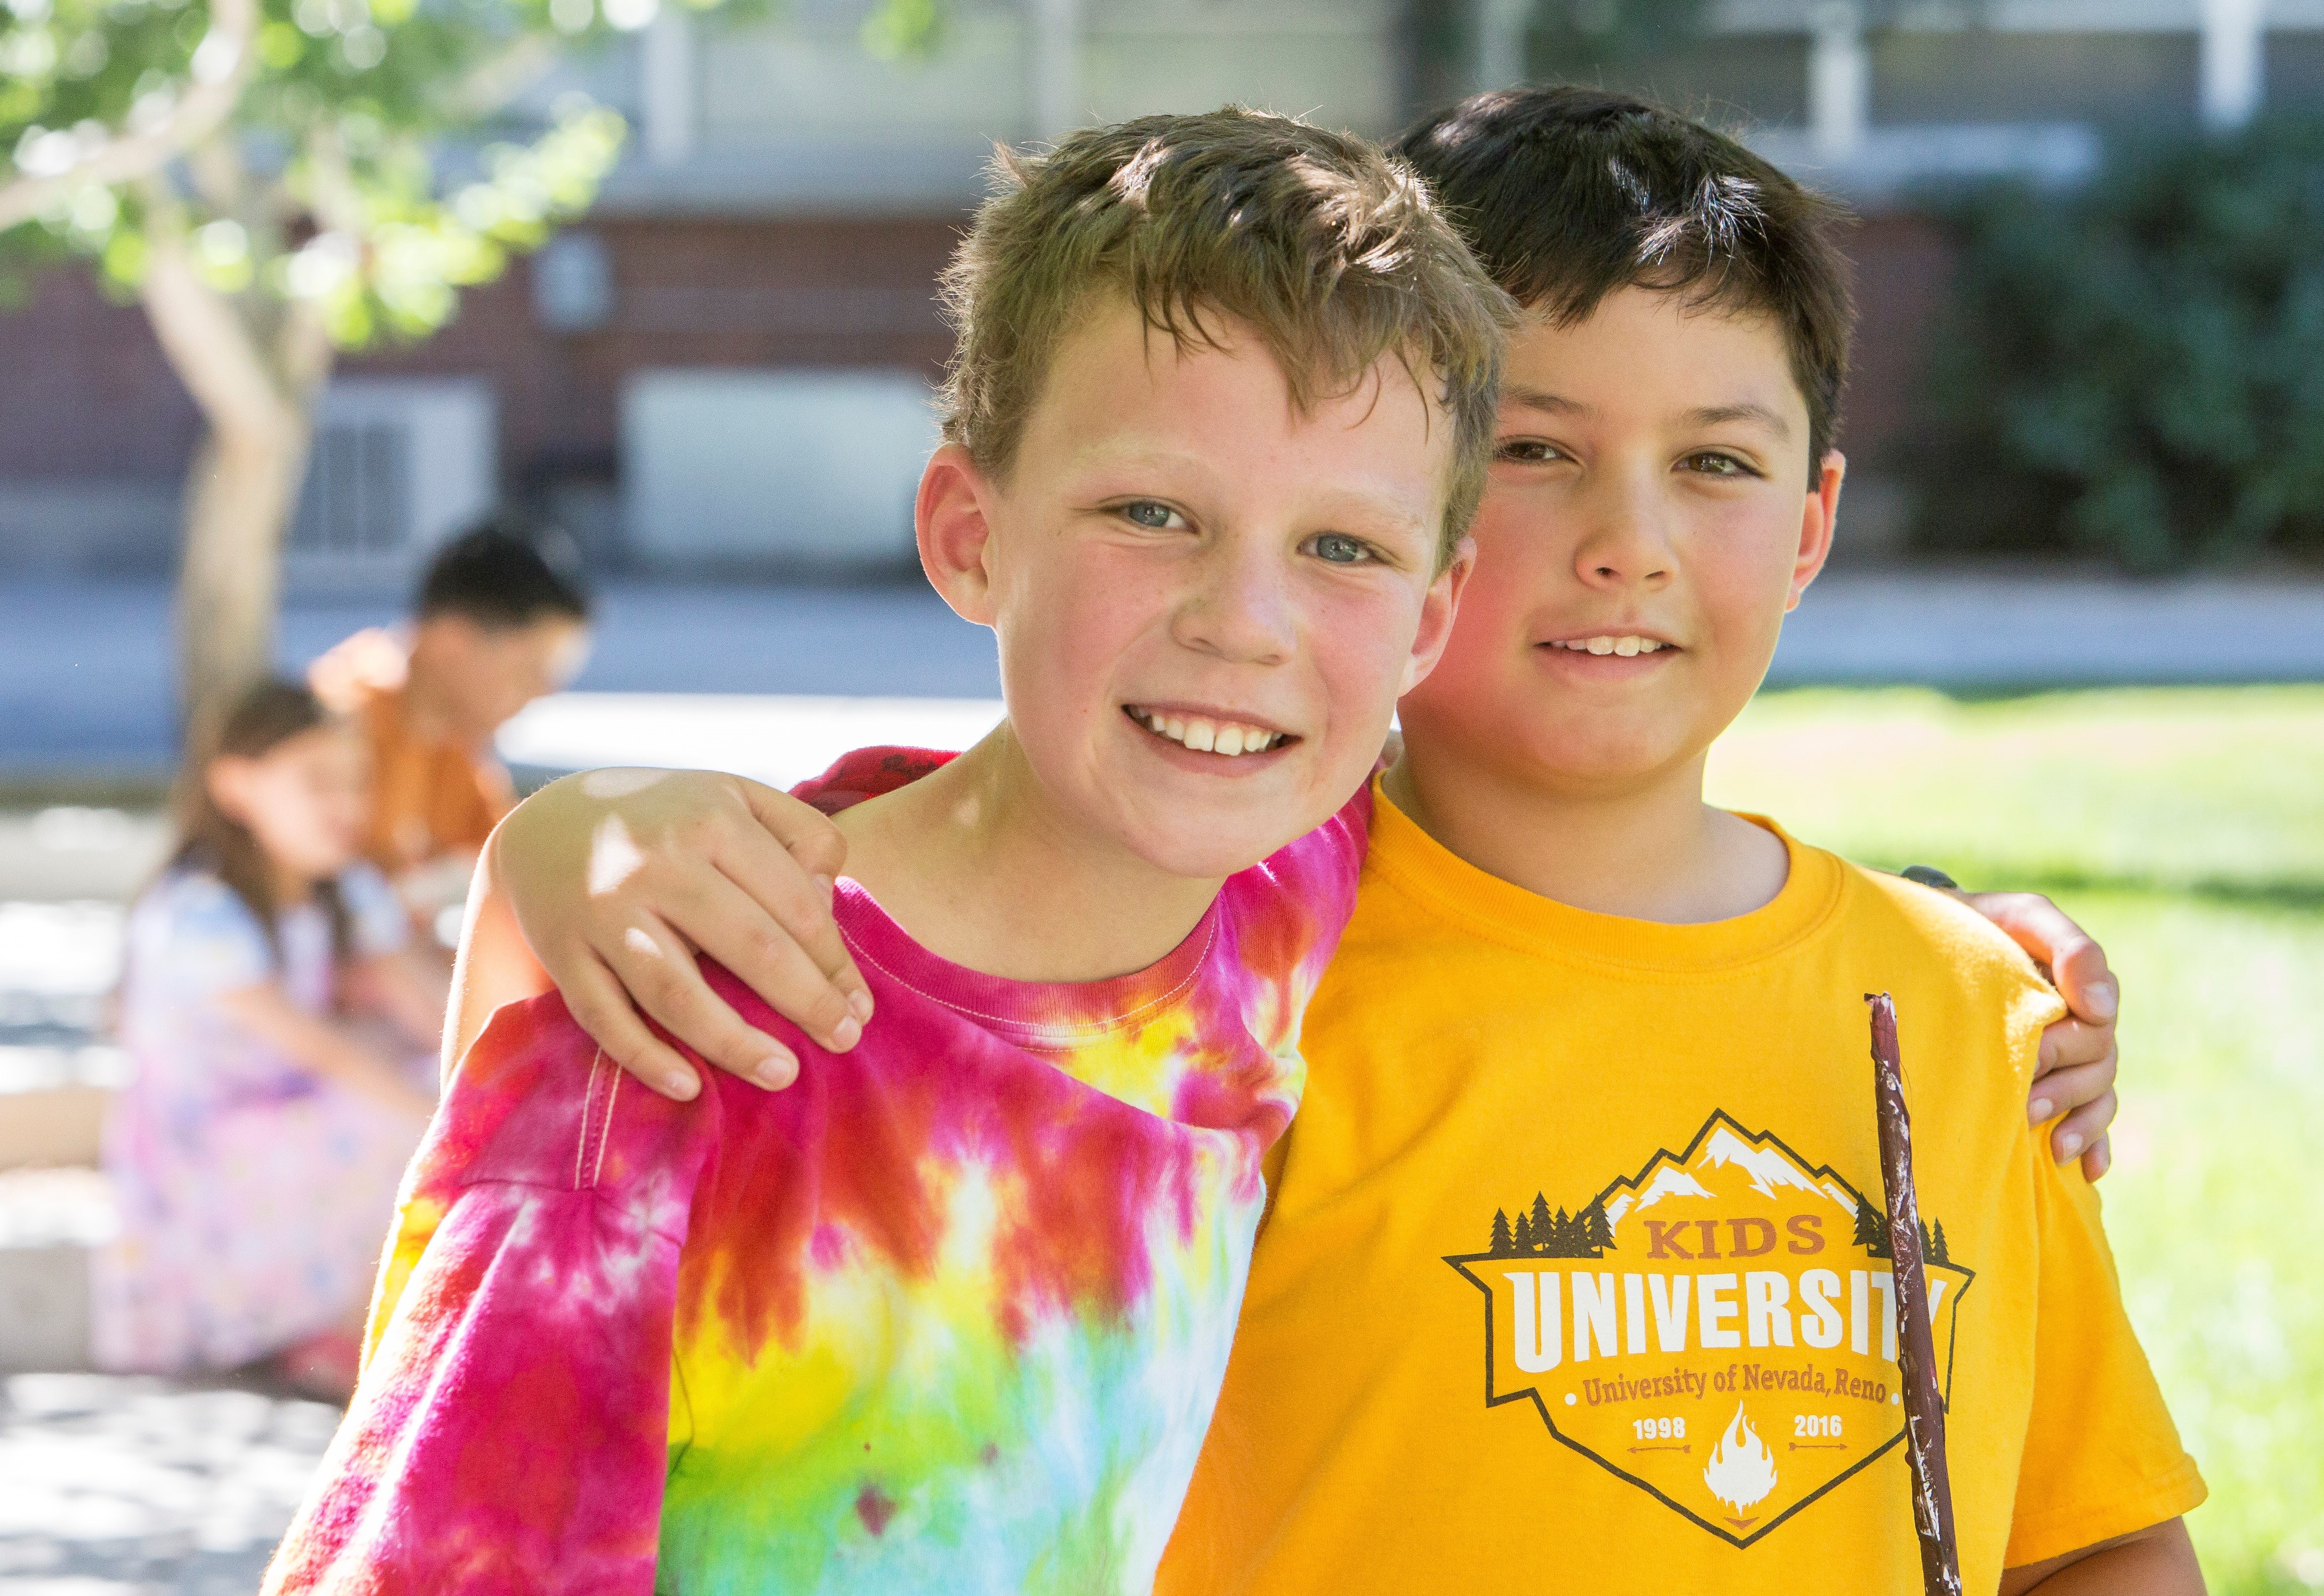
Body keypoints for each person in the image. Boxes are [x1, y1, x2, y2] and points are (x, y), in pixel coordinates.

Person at [459, 92, 2195, 1590]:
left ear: (1813, 519)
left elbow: (2088, 1528)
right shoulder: (1209, 965)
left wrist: (1957, 948)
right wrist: (563, 837)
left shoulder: (1970, 1015)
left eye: (1715, 464)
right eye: (1529, 448)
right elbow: (936, 899)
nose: (1626, 542)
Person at [262, 107, 1511, 1593]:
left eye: (1344, 549)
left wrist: (547, 832)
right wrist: (546, 847)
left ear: (1430, 619)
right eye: (1152, 511)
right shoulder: (689, 1043)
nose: (1245, 622)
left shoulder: (1291, 884)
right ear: (970, 534)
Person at [91, 680, 441, 1400]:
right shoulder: (199, 913)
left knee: (429, 1083)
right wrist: (444, 1120)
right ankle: (344, 1334)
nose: (344, 804)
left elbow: (427, 1004)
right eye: (317, 781)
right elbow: (321, 1049)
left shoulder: (343, 889)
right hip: (203, 1159)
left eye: (356, 780)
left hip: (289, 1125)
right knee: (401, 1127)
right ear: (237, 786)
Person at [308, 515, 593, 938]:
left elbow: (508, 859)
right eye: (531, 672)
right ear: (453, 642)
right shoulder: (337, 727)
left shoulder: (455, 742)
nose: (542, 695)